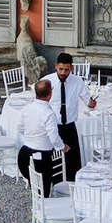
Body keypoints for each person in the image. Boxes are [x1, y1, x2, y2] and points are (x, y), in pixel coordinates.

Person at [13, 72, 63, 197]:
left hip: (24, 153)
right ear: (50, 94)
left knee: (34, 184)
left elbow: (19, 128)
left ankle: (38, 208)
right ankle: (44, 210)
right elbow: (54, 137)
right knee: (44, 188)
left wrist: (32, 137)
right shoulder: (48, 113)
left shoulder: (27, 108)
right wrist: (63, 147)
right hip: (42, 156)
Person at [52, 50, 86, 180]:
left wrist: (91, 103)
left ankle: (73, 186)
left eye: (66, 70)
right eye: (60, 69)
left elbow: (87, 100)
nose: (63, 73)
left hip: (70, 125)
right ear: (56, 66)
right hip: (54, 126)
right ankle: (55, 186)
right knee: (54, 160)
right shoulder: (47, 81)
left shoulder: (77, 81)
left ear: (71, 68)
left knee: (73, 160)